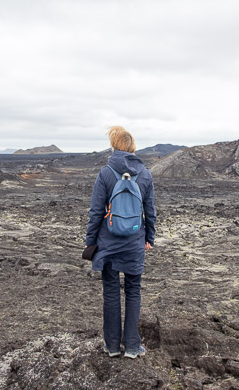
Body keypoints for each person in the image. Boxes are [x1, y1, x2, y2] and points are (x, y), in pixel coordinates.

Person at [85, 126, 157, 359]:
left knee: (111, 292)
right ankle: (133, 347)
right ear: (132, 147)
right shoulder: (145, 174)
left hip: (108, 244)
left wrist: (90, 242)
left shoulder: (106, 173)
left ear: (114, 145)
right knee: (134, 291)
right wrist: (149, 238)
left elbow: (96, 212)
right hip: (135, 242)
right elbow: (150, 211)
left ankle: (113, 346)